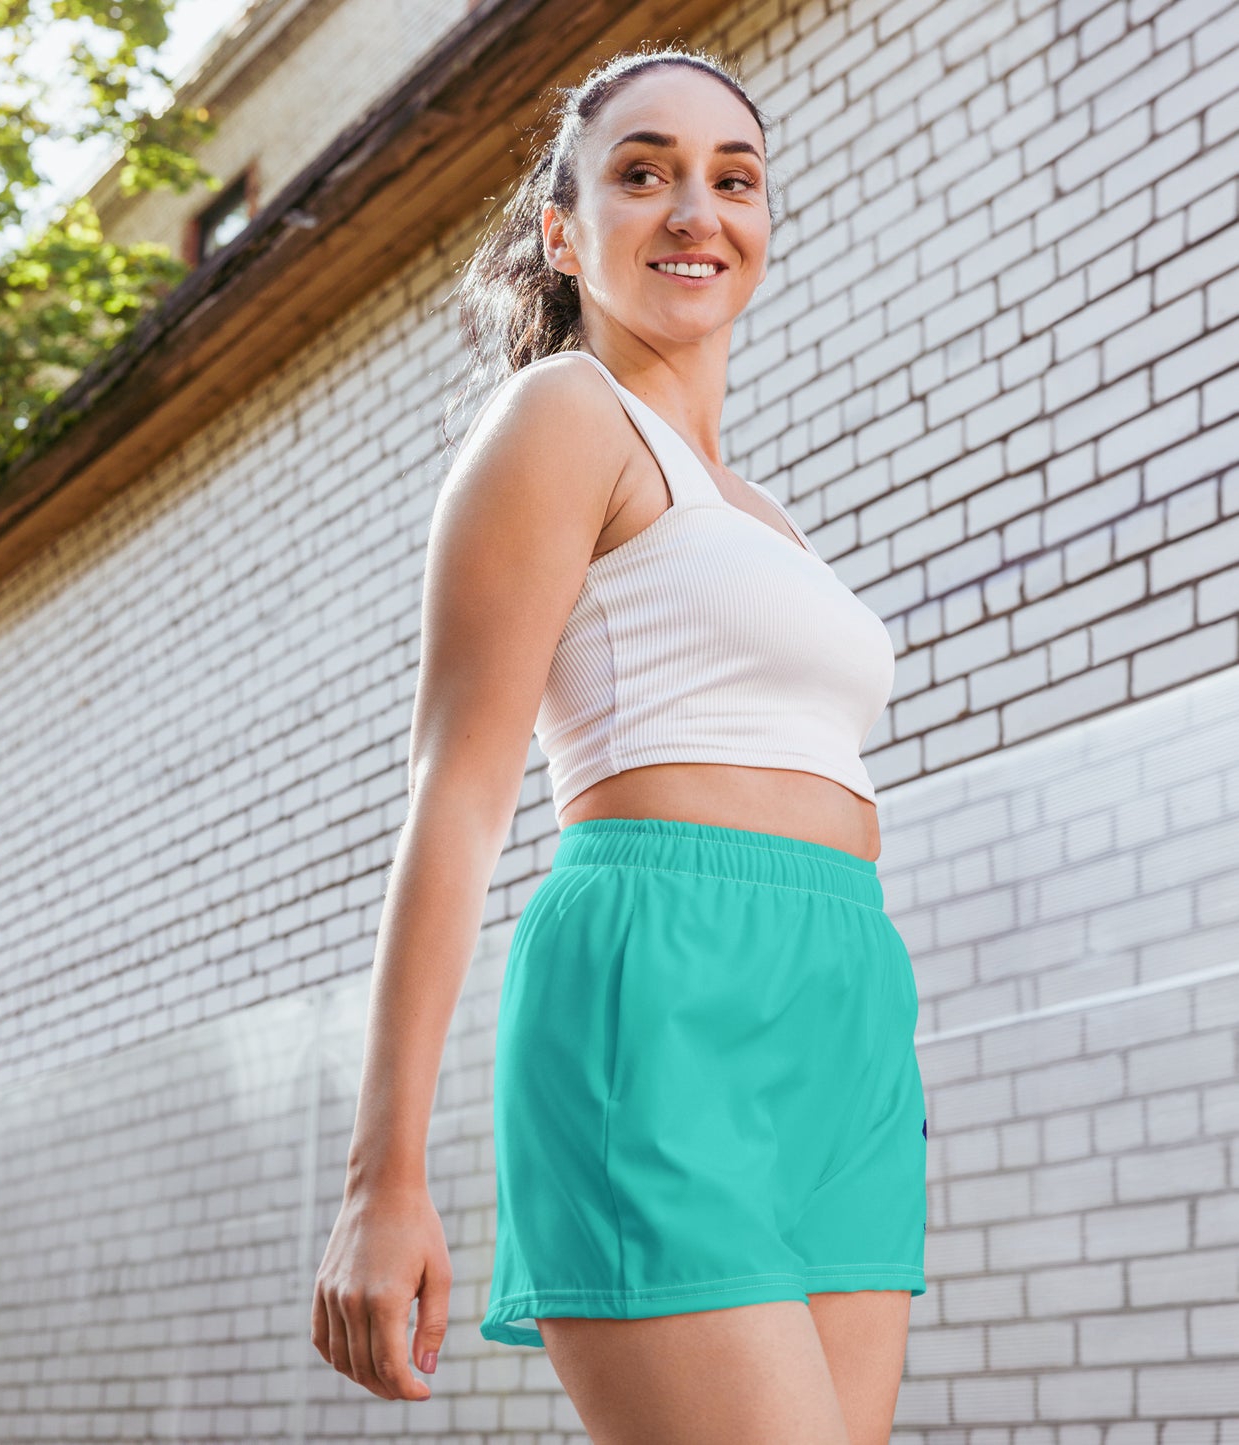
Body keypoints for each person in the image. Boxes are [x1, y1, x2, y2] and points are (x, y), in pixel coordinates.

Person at [310, 44, 927, 1445]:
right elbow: (455, 794)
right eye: (642, 173)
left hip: (841, 1006)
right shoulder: (560, 417)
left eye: (733, 178)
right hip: (658, 979)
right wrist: (381, 1176)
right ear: (562, 230)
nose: (694, 210)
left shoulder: (762, 510)